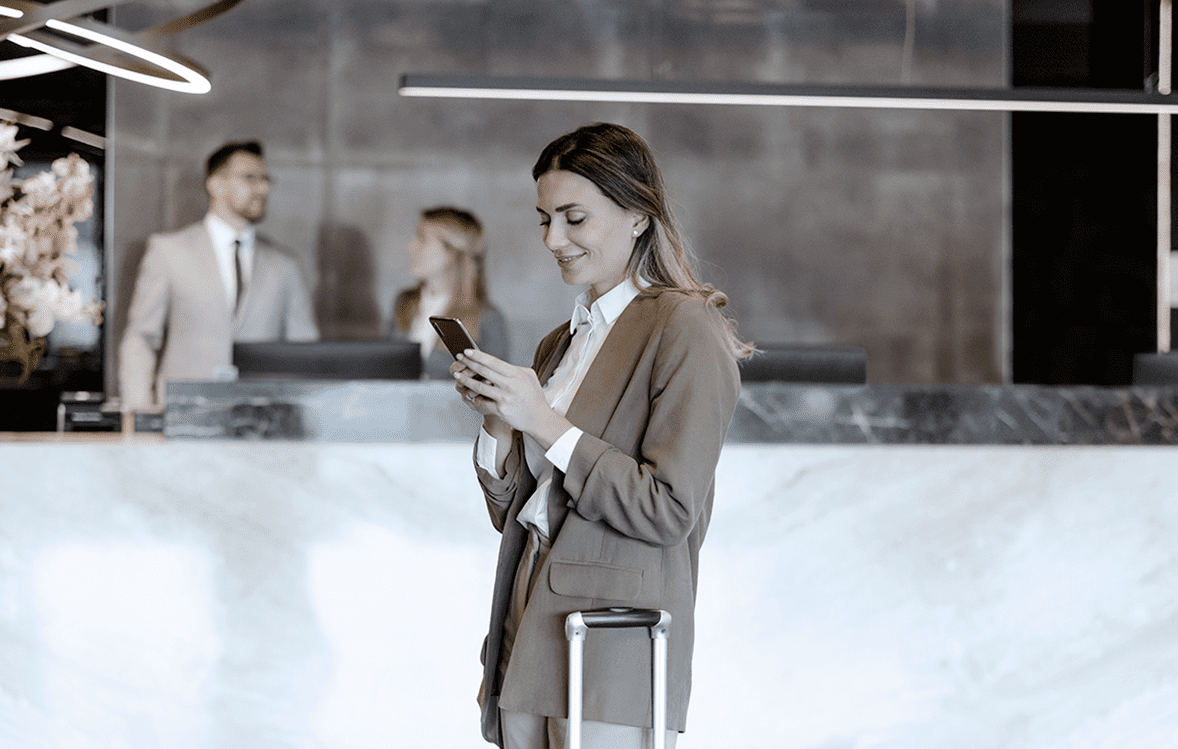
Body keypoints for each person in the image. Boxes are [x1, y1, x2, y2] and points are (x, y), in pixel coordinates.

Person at [450, 123, 753, 749]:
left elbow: (667, 508)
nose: (553, 240)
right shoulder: (561, 341)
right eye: (544, 220)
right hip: (529, 609)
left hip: (610, 632)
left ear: (639, 215)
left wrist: (545, 422)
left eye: (574, 219)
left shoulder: (685, 328)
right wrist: (499, 422)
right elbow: (514, 509)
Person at [119, 140, 319, 409]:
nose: (263, 188)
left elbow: (305, 352)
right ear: (215, 184)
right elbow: (141, 338)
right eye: (250, 178)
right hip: (184, 414)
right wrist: (138, 412)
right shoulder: (168, 251)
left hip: (262, 420)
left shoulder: (286, 265)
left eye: (265, 179)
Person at [390, 206, 509, 378]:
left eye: (422, 239)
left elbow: (498, 386)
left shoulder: (487, 318)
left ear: (451, 252)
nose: (411, 247)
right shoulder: (404, 304)